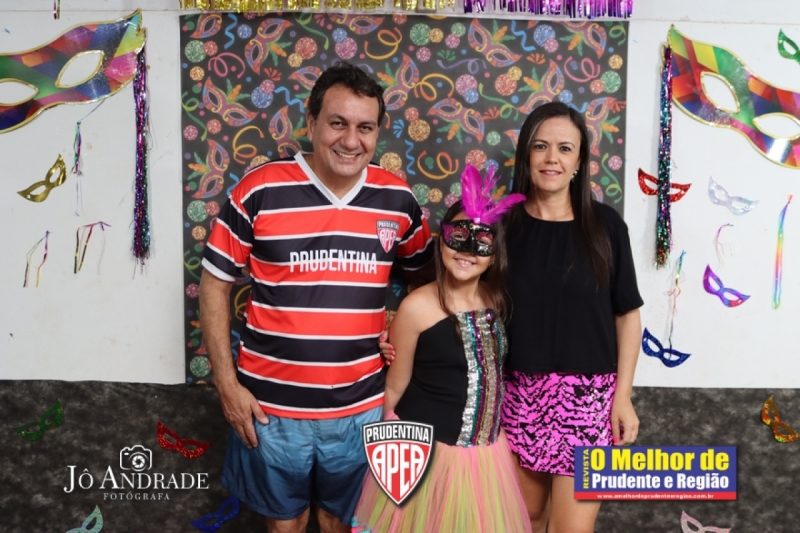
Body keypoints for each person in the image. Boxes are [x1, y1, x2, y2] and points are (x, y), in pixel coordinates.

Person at [199, 62, 433, 533]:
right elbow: (214, 283)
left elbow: (425, 286)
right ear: (310, 122)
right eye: (337, 123)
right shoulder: (260, 189)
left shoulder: (398, 200)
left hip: (362, 407)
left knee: (340, 522)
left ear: (378, 132)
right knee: (286, 524)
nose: (351, 140)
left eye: (365, 127)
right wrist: (226, 384)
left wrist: (398, 334)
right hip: (269, 409)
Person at [353, 166, 532, 533]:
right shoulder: (417, 306)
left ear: (494, 254)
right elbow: (395, 386)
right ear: (441, 241)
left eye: (481, 242)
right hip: (426, 453)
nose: (467, 250)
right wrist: (386, 454)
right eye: (458, 237)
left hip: (487, 458)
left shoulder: (497, 300)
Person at [501, 101, 643, 533]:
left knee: (572, 529)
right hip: (517, 396)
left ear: (580, 161)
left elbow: (628, 316)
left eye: (565, 149)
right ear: (526, 153)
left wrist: (622, 397)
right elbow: (463, 295)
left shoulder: (606, 226)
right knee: (524, 521)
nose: (552, 158)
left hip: (589, 402)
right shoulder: (502, 226)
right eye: (540, 146)